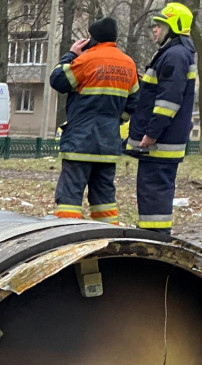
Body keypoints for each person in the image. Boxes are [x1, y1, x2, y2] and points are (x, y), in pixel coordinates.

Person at [49, 18, 139, 224]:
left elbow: (58, 80)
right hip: (108, 143)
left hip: (80, 140)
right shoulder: (128, 64)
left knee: (70, 197)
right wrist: (115, 121)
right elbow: (134, 102)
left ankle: (68, 233)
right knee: (105, 198)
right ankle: (108, 238)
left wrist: (70, 54)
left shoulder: (87, 60)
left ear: (92, 39)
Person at [126, 2, 196, 234]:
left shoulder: (174, 55)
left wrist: (151, 134)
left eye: (160, 25)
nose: (155, 30)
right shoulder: (177, 53)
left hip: (160, 144)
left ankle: (154, 238)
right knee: (153, 194)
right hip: (164, 142)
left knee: (154, 194)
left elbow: (168, 101)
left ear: (174, 26)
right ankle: (153, 234)